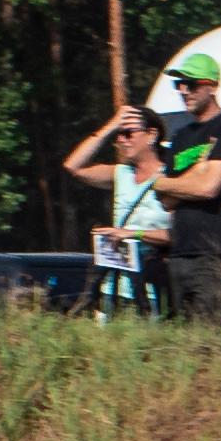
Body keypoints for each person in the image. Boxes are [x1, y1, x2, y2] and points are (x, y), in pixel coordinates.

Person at [142, 53, 221, 331]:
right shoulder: (182, 135)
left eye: (192, 85)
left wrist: (173, 182)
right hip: (180, 250)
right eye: (180, 85)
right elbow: (166, 199)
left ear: (213, 86)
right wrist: (195, 172)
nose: (185, 91)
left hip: (216, 252)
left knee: (209, 336)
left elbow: (209, 188)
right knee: (179, 337)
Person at [63, 105, 173, 319]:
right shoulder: (121, 173)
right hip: (114, 289)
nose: (122, 140)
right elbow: (73, 166)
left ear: (152, 135)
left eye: (128, 133)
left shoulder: (172, 178)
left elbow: (176, 235)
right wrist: (110, 127)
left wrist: (132, 234)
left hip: (151, 291)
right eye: (119, 135)